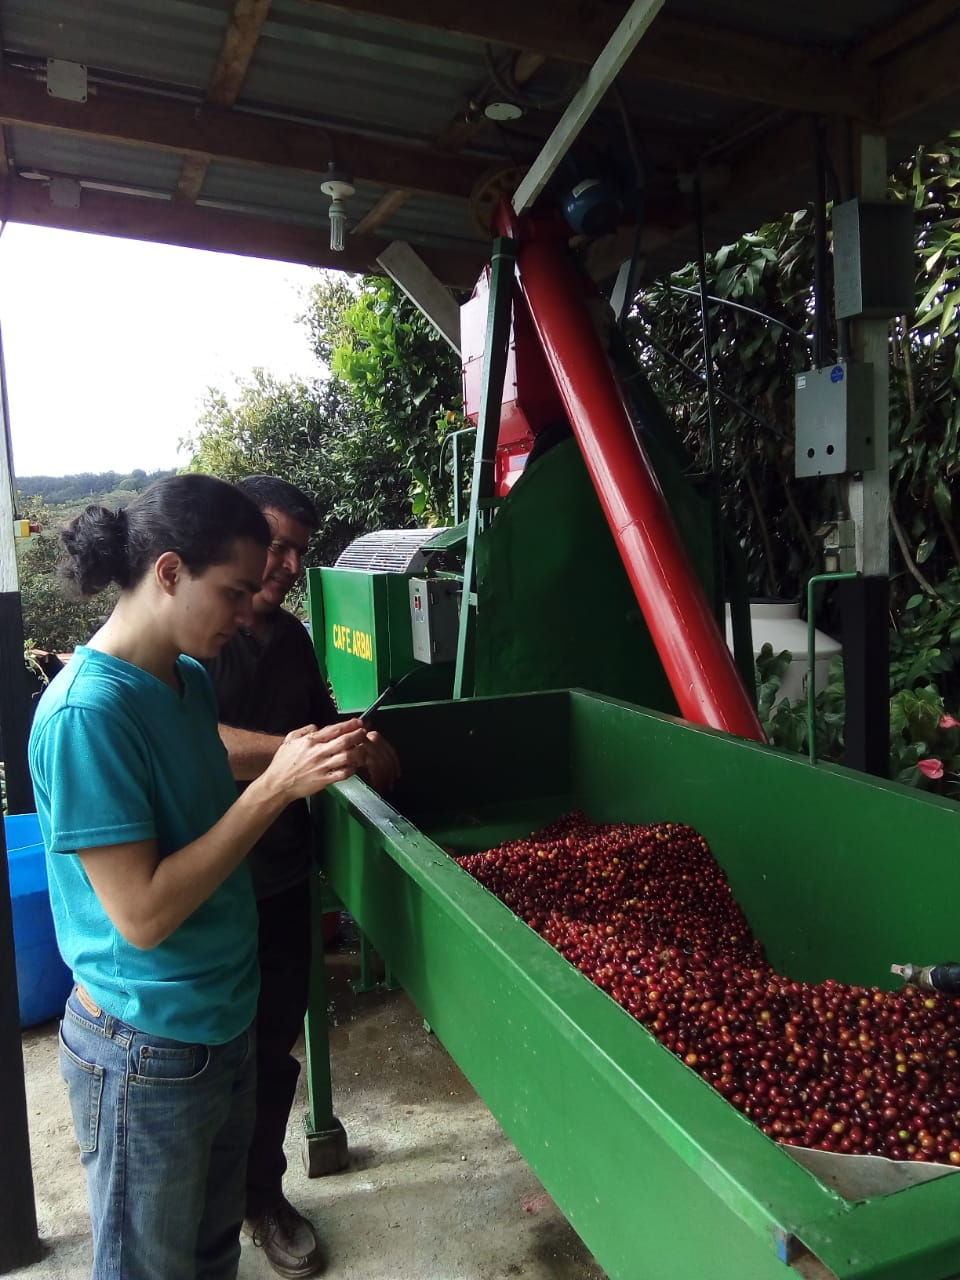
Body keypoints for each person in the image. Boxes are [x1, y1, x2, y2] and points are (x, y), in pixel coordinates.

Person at [28, 475, 370, 1280]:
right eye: (236, 590)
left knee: (211, 1255)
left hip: (220, 1023)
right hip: (145, 1045)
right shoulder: (88, 715)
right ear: (171, 572)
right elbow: (141, 915)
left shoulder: (188, 680)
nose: (251, 608)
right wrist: (276, 786)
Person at [203, 475, 398, 1279]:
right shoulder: (190, 640)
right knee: (200, 1067)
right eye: (273, 546)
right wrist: (293, 752)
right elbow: (191, 741)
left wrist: (362, 746)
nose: (284, 566)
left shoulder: (290, 640)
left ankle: (262, 1199)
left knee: (272, 1055)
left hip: (280, 883)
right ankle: (199, 1219)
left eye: (296, 553)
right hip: (204, 889)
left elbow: (318, 726)